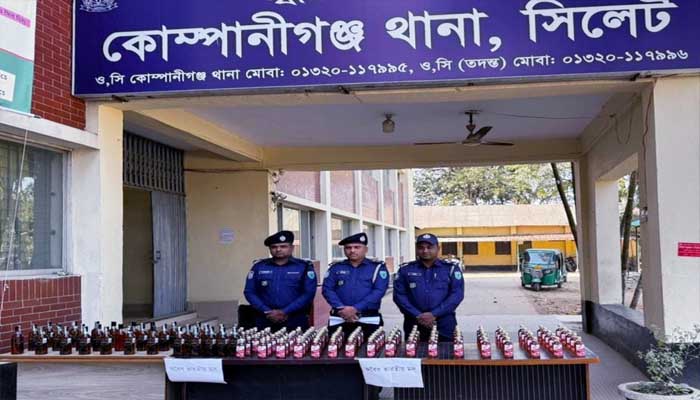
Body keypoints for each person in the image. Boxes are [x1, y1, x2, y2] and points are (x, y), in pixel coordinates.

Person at [393, 233, 465, 342]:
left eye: (429, 247)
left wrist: (434, 314)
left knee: (447, 351)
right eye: (421, 247)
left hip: (444, 322)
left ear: (438, 248)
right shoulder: (406, 269)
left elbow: (456, 294)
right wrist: (418, 315)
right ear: (416, 249)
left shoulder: (450, 269)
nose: (425, 251)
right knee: (414, 351)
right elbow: (399, 296)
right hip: (414, 321)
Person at [243, 230, 317, 330]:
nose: (278, 249)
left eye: (283, 246)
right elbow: (249, 291)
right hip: (264, 318)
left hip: (295, 318)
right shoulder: (259, 267)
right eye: (274, 247)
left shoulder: (304, 267)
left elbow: (308, 293)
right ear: (270, 249)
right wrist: (267, 311)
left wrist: (285, 311)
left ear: (292, 248)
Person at [322, 232, 390, 338]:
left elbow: (378, 291)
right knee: (336, 347)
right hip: (339, 318)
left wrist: (355, 309)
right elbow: (327, 289)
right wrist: (342, 308)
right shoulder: (336, 268)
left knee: (371, 347)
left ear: (365, 249)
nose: (352, 250)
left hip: (369, 319)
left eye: (357, 247)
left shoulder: (377, 268)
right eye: (348, 247)